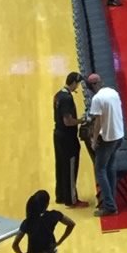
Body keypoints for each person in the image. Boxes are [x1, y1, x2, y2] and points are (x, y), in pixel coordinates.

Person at [12, 189, 75, 253]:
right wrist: (59, 242)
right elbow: (71, 224)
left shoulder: (28, 222)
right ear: (46, 204)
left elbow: (15, 244)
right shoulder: (54, 215)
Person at [84, 72, 126, 216]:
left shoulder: (97, 99)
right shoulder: (113, 92)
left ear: (93, 85)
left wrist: (94, 140)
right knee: (110, 168)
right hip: (119, 136)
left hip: (107, 139)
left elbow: (97, 122)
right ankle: (111, 200)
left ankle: (110, 206)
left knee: (100, 170)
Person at [52, 71, 85, 207]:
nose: (77, 87)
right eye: (77, 84)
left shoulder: (58, 95)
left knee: (61, 166)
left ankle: (60, 196)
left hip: (58, 135)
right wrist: (81, 121)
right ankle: (71, 200)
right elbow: (68, 121)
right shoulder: (67, 98)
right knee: (71, 167)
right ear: (73, 83)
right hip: (67, 138)